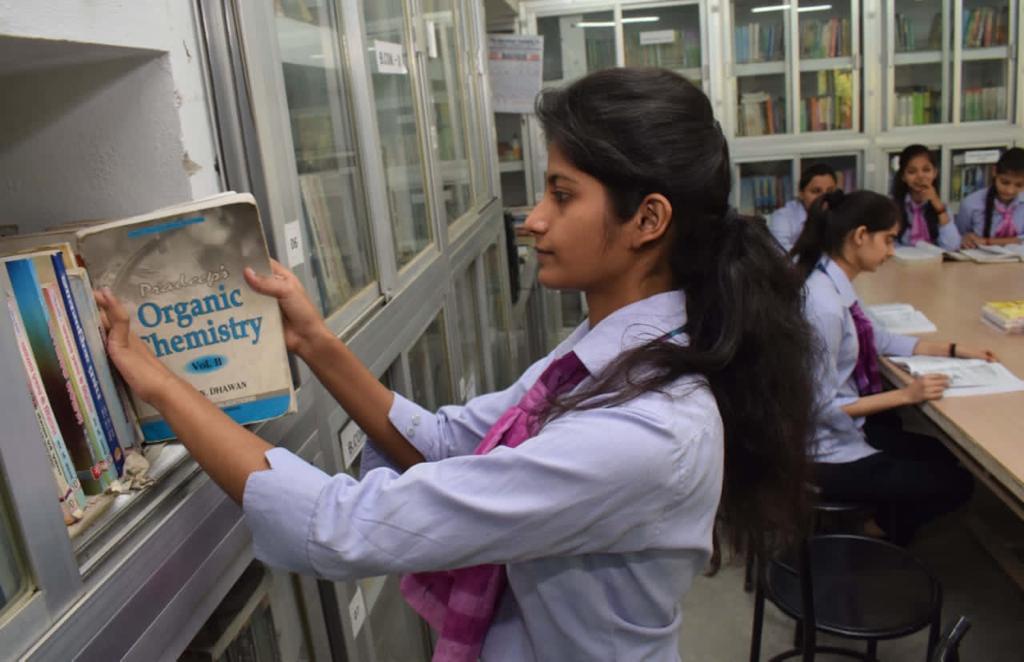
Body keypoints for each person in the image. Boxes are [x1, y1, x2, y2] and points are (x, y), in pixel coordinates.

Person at [95, 67, 816, 661]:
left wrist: (160, 383)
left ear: (648, 221)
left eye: (561, 195)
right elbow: (442, 441)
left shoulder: (647, 432)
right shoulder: (609, 355)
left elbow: (337, 527)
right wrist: (314, 340)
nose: (532, 218)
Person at [791, 189, 986, 545]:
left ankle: (883, 519)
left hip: (845, 431)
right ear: (860, 236)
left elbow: (876, 338)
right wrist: (906, 395)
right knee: (957, 482)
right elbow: (822, 408)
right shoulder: (823, 306)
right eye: (889, 240)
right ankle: (879, 531)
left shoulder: (830, 279)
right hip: (825, 452)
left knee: (943, 454)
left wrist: (953, 349)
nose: (892, 251)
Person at [891, 144, 961, 250]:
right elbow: (888, 246)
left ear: (935, 173)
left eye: (926, 170)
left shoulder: (942, 208)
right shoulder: (892, 208)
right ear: (903, 176)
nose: (920, 176)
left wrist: (938, 208)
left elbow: (952, 246)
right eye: (912, 172)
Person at [956, 147, 1024, 248]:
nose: (1010, 190)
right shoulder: (970, 203)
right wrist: (965, 240)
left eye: (1019, 185)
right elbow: (959, 238)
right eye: (1005, 182)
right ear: (994, 171)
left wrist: (986, 241)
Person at [768, 163, 838, 252]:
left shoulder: (841, 213)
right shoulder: (783, 216)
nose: (824, 197)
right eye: (816, 191)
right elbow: (781, 254)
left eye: (830, 191)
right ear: (801, 194)